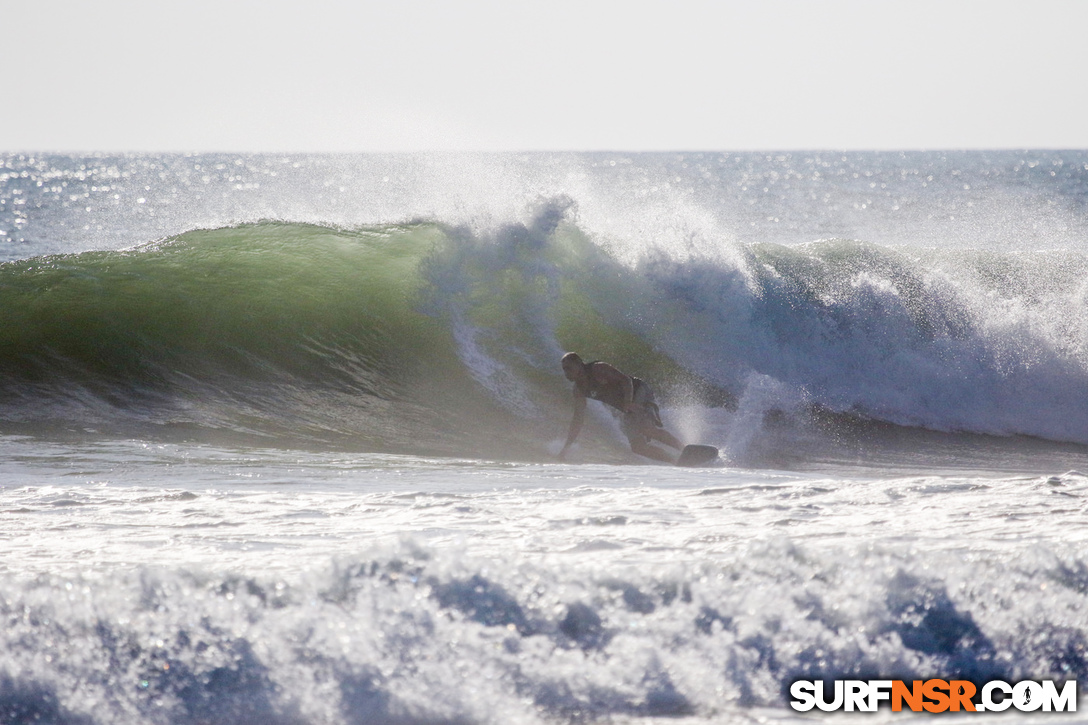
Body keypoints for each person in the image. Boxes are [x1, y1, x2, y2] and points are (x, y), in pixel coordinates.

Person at [558, 352, 683, 463]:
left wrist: (628, 402)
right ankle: (675, 461)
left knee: (646, 429)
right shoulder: (578, 390)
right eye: (564, 369)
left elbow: (626, 380)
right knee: (638, 448)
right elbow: (578, 419)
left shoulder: (598, 368)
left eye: (569, 368)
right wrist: (566, 448)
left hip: (638, 390)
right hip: (627, 407)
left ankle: (684, 449)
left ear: (579, 363)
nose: (566, 373)